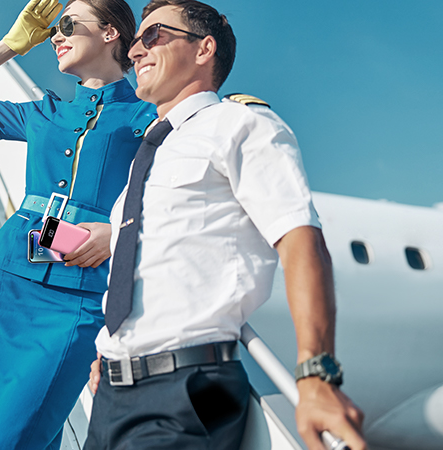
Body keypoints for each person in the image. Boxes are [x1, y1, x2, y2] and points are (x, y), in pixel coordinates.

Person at [84, 1, 367, 449]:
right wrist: (111, 347)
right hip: (111, 393)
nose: (135, 50)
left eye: (153, 35)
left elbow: (300, 241)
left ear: (204, 49)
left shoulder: (241, 125)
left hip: (189, 390)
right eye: (136, 39)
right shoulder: (150, 157)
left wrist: (316, 375)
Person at [0, 0, 156, 448]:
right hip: (5, 285)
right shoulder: (43, 113)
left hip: (81, 293)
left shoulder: (148, 116)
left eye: (68, 24)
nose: (55, 35)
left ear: (111, 34)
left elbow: (187, 186)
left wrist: (122, 229)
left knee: (13, 435)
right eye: (52, 29)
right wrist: (11, 45)